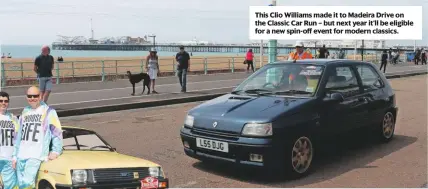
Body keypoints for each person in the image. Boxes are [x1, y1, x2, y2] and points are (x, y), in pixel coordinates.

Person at [13, 86, 63, 189]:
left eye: (35, 96)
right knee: (19, 185)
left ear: (40, 96)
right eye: (29, 96)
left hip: (36, 155)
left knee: (27, 184)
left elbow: (56, 132)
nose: (32, 98)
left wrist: (56, 151)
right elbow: (18, 136)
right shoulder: (25, 111)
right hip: (21, 155)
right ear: (26, 97)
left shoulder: (48, 111)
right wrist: (14, 155)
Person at [0, 92, 19, 189]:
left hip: (8, 159)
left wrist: (15, 157)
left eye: (6, 101)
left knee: (10, 186)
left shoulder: (13, 118)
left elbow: (18, 139)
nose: (3, 103)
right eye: (1, 101)